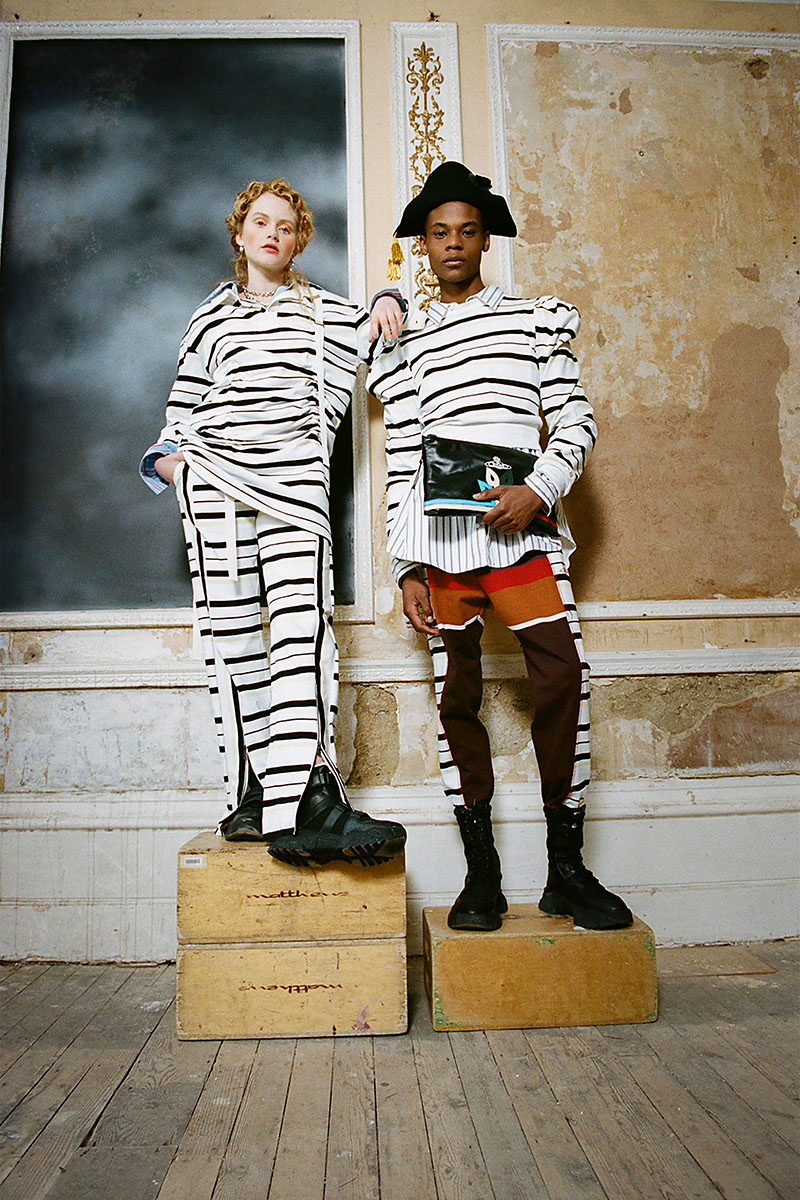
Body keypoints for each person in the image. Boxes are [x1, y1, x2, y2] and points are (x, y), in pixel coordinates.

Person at [367, 161, 632, 930]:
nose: (453, 243)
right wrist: (406, 565)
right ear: (424, 244)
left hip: (523, 529)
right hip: (444, 536)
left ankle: (566, 871)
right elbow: (404, 452)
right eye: (439, 232)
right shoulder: (407, 338)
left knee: (563, 679)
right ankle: (481, 876)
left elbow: (575, 418)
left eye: (467, 230)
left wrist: (539, 490)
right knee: (457, 697)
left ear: (487, 240)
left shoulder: (535, 319)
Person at [140, 178, 405, 866]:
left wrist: (388, 296)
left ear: (298, 242)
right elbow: (181, 409)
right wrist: (172, 464)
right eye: (260, 222)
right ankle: (262, 792)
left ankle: (308, 799)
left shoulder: (322, 312)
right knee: (235, 642)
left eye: (286, 227)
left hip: (293, 489)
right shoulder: (210, 317)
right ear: (240, 233)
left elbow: (380, 331)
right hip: (214, 480)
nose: (272, 234)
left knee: (300, 637)